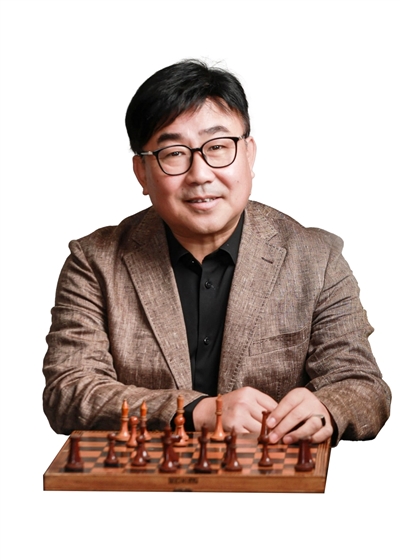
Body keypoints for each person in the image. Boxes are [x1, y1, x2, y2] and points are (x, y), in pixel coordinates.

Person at [43, 59, 391, 446]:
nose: (200, 174)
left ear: (249, 155)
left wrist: (327, 409)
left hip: (273, 481)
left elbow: (362, 387)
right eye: (174, 153)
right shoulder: (94, 262)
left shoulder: (316, 259)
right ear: (142, 172)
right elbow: (68, 391)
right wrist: (196, 412)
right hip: (140, 481)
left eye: (218, 147)